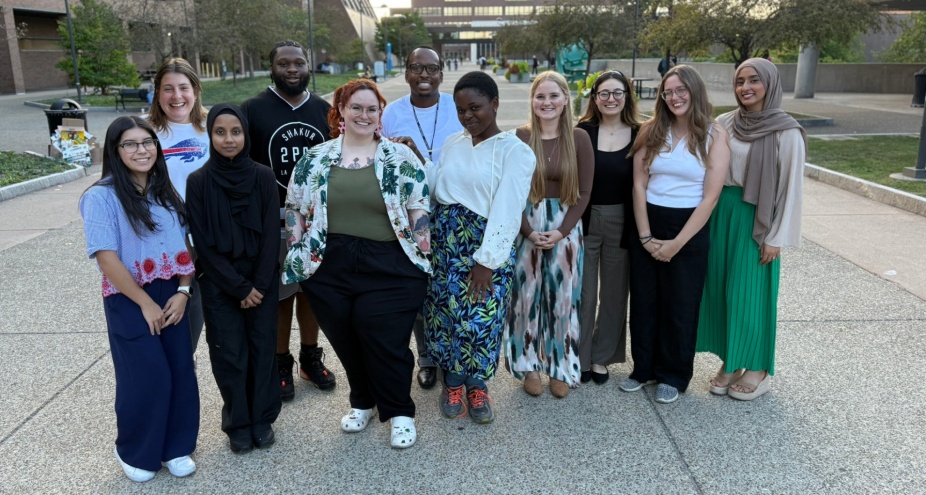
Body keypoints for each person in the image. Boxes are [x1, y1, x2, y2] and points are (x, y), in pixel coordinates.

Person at [283, 79, 431, 449]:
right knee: (346, 339)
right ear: (341, 112)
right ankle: (362, 401)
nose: (364, 115)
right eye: (356, 107)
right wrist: (297, 256)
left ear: (380, 114)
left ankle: (400, 412)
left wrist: (423, 257)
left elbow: (419, 208)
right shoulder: (316, 157)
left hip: (390, 264)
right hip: (329, 265)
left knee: (386, 341)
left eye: (372, 108)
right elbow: (295, 210)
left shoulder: (399, 157)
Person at [79, 116, 199, 482]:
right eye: (130, 144)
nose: (141, 150)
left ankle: (176, 446)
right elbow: (106, 257)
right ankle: (135, 449)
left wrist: (183, 290)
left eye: (147, 142)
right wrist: (144, 303)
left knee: (180, 369)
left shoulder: (165, 192)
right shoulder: (101, 197)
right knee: (147, 375)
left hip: (172, 292)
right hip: (129, 295)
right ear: (115, 151)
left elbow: (186, 246)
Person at [425, 71, 536, 423]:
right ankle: (453, 382)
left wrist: (487, 261)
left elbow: (508, 208)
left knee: (480, 321)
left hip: (484, 246)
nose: (468, 116)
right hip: (446, 246)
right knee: (446, 317)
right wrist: (415, 157)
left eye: (475, 107)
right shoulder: (455, 142)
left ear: (495, 104)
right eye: (461, 110)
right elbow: (439, 186)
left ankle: (477, 387)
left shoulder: (514, 151)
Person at [696, 58, 806, 401]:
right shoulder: (725, 122)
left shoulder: (787, 132)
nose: (745, 88)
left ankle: (758, 367)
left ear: (770, 84)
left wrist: (776, 236)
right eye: (740, 81)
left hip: (756, 220)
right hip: (722, 214)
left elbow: (791, 189)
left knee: (752, 294)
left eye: (754, 80)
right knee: (723, 291)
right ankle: (732, 360)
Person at [621, 65, 731, 404]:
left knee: (680, 305)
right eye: (667, 92)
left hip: (689, 228)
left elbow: (711, 197)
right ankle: (644, 369)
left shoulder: (714, 134)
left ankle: (674, 373)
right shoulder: (651, 131)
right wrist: (645, 236)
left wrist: (677, 244)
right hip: (648, 222)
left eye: (680, 90)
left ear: (695, 91)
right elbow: (639, 183)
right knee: (644, 301)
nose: (674, 97)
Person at [240, 40, 336, 402]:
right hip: (273, 220)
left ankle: (310, 357)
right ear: (271, 67)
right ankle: (281, 361)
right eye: (284, 63)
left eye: (299, 62)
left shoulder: (324, 111)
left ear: (309, 65)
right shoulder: (252, 110)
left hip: (317, 220)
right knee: (280, 295)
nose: (292, 69)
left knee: (311, 292)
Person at [381, 45, 463, 390]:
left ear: (442, 73)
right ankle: (427, 357)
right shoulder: (392, 113)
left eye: (432, 69)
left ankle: (452, 357)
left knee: (450, 288)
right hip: (410, 211)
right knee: (417, 289)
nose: (425, 76)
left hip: (454, 206)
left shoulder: (458, 108)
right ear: (407, 73)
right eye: (417, 68)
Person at [507, 71, 593, 399]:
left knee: (563, 300)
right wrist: (528, 231)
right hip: (526, 225)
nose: (547, 102)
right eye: (540, 96)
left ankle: (560, 366)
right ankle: (528, 365)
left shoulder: (579, 138)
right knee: (526, 298)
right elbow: (512, 191)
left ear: (566, 99)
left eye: (554, 96)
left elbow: (584, 192)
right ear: (532, 100)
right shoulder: (520, 136)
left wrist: (561, 231)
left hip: (566, 226)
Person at [575, 70, 641, 385]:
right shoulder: (581, 132)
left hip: (623, 219)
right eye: (604, 93)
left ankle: (602, 357)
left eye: (617, 93)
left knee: (614, 294)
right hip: (585, 220)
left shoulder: (641, 132)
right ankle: (580, 356)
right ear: (595, 98)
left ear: (627, 97)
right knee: (584, 294)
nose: (611, 99)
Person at [146, 57, 209, 352]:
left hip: (210, 237)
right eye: (168, 88)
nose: (176, 96)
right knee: (174, 326)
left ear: (195, 91)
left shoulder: (213, 129)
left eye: (183, 87)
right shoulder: (145, 134)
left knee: (207, 318)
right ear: (157, 93)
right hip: (165, 240)